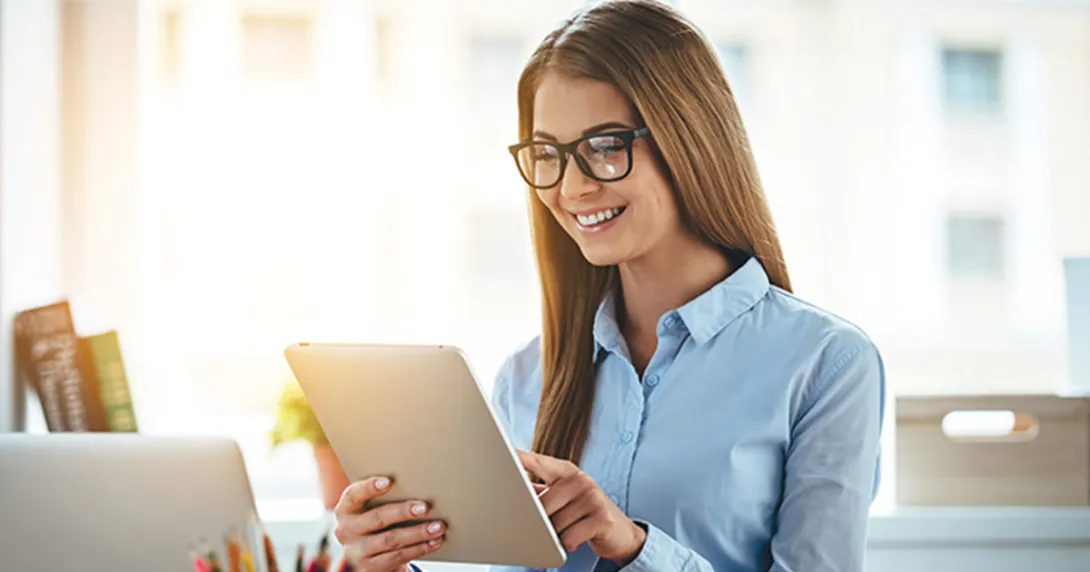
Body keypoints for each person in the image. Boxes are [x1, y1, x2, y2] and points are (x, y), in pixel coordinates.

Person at [333, 1, 885, 570]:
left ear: (688, 139)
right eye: (548, 153)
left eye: (604, 146)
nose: (571, 188)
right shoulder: (527, 376)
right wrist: (395, 560)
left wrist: (635, 547)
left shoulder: (827, 363)